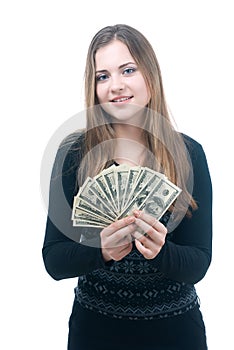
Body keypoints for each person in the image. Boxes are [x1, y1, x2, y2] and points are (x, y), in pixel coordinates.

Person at [42, 24, 212, 350]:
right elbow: (54, 259)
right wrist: (101, 251)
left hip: (175, 333)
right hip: (95, 331)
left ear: (150, 74)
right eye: (102, 76)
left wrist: (163, 252)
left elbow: (199, 262)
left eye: (128, 70)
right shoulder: (74, 155)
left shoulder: (189, 154)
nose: (115, 85)